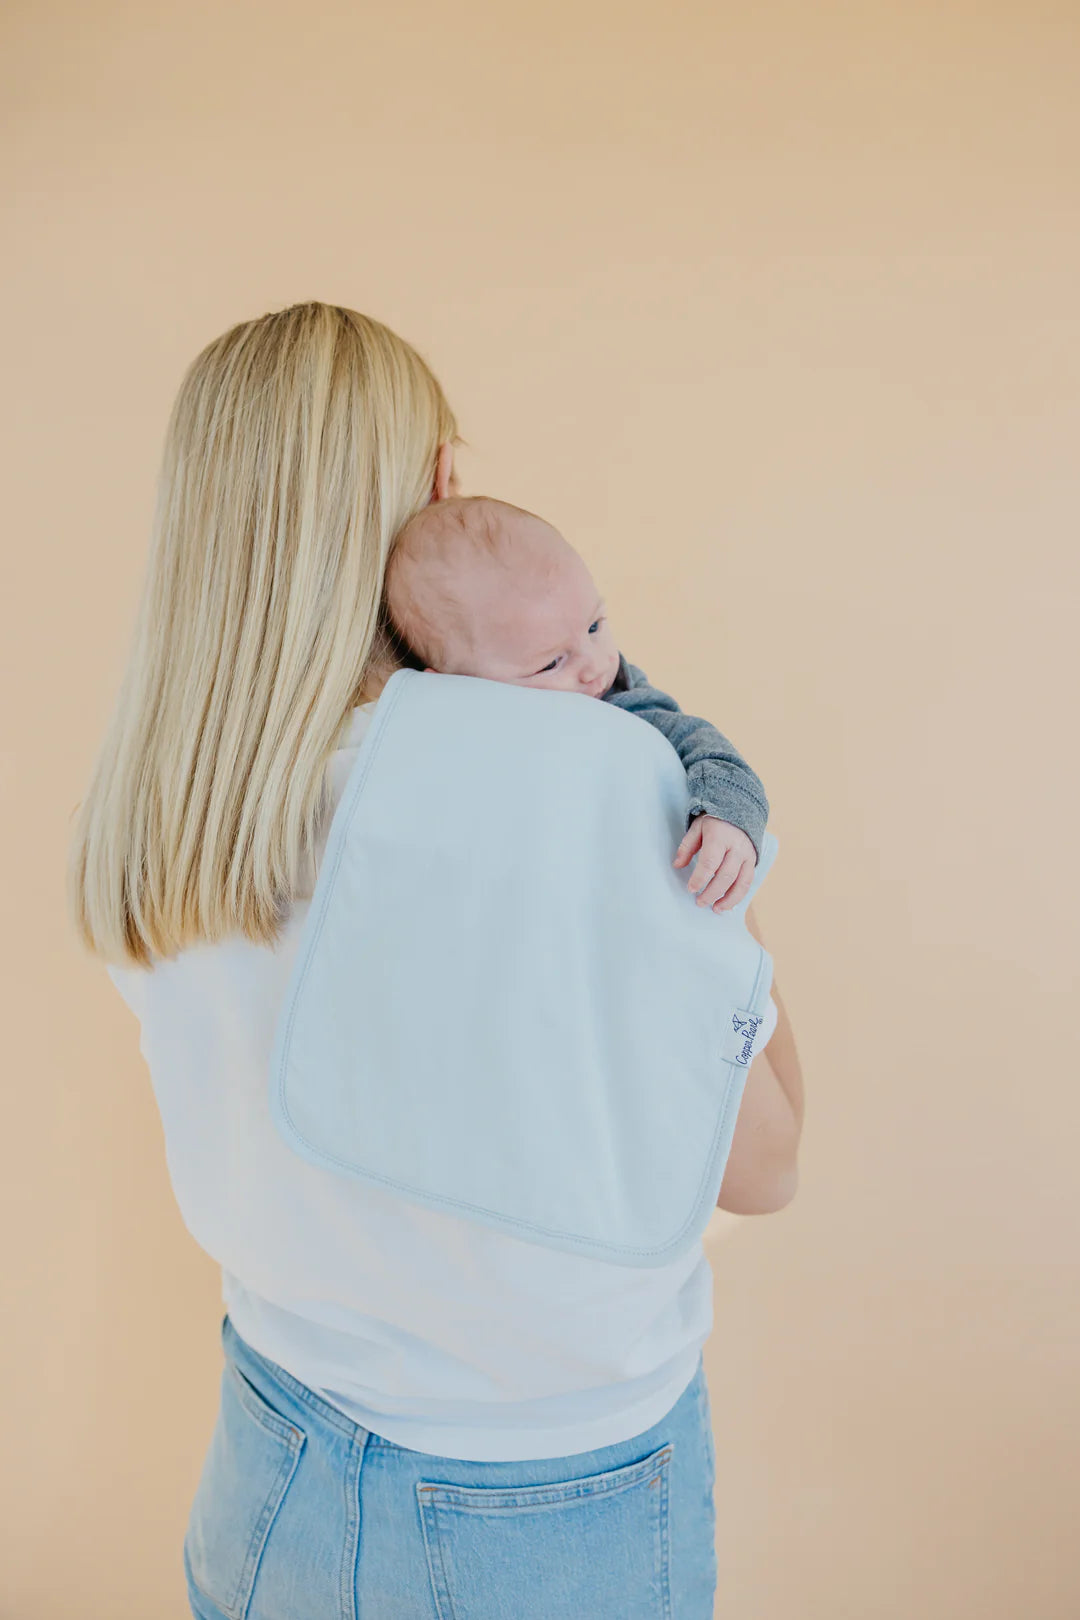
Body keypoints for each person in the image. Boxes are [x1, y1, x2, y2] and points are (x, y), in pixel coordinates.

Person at [67, 301, 805, 1619]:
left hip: (270, 1453)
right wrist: (711, 877)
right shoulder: (599, 782)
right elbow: (765, 1166)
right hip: (546, 1499)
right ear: (440, 483)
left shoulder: (164, 808)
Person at [385, 493, 769, 913]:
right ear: (454, 688)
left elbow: (708, 750)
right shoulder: (431, 737)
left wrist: (727, 819)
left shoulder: (621, 703)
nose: (594, 666)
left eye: (594, 626)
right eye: (552, 663)